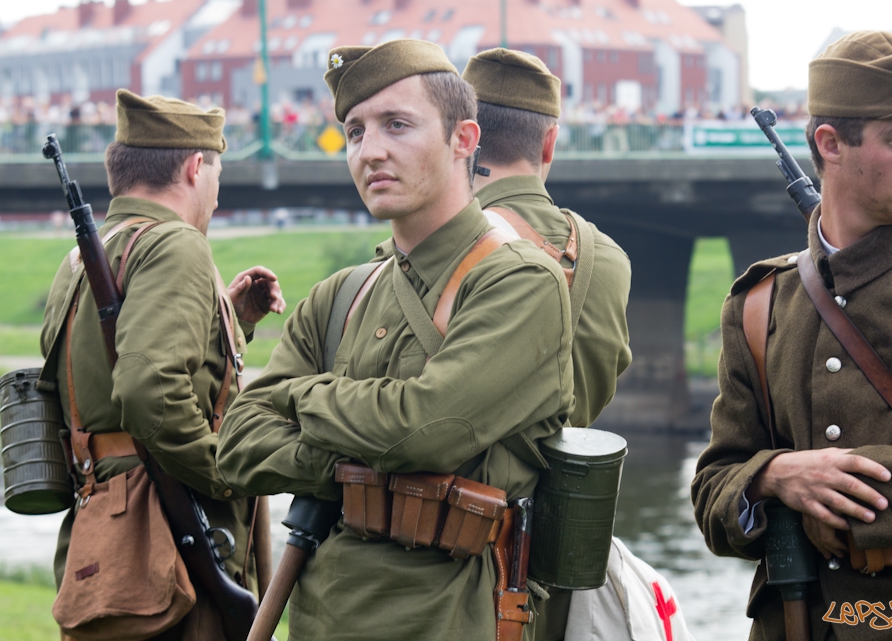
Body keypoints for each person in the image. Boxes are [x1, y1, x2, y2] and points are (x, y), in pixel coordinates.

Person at [216, 39, 574, 641]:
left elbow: (428, 431)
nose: (370, 151)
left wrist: (303, 399)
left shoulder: (518, 281)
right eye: (355, 132)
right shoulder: (342, 294)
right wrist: (356, 469)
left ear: (464, 139)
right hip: (322, 614)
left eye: (397, 125)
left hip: (450, 618)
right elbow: (238, 441)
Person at [691, 30, 892, 640]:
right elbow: (715, 493)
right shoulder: (761, 302)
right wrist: (774, 477)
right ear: (829, 143)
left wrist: (850, 481)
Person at [39, 89, 286, 639]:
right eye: (216, 175)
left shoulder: (83, 257)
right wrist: (227, 471)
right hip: (169, 544)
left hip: (103, 536)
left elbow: (104, 378)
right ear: (196, 167)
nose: (217, 197)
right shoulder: (176, 245)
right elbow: (149, 388)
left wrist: (231, 326)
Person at [461, 47, 634, 641]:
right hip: (553, 553)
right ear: (550, 143)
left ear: (464, 138)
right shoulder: (608, 259)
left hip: (445, 564)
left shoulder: (444, 249)